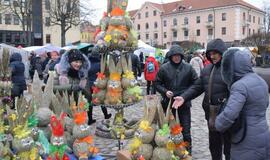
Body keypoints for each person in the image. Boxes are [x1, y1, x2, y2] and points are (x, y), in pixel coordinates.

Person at [172, 39, 231, 160]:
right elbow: (196, 87)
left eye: (215, 53)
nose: (212, 56)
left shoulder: (230, 70)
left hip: (228, 116)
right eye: (210, 53)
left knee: (229, 148)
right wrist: (183, 97)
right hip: (212, 116)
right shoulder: (207, 70)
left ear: (222, 52)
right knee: (214, 146)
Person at [215, 49, 270, 160]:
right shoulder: (261, 80)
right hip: (263, 135)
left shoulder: (240, 86)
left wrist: (218, 124)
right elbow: (265, 104)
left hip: (246, 141)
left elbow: (229, 115)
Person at [155, 44, 198, 154]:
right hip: (168, 103)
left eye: (178, 55)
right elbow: (157, 83)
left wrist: (186, 95)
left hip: (184, 101)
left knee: (186, 129)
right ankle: (170, 150)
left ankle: (187, 151)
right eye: (174, 55)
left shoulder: (188, 68)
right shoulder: (164, 68)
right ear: (170, 56)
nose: (176, 57)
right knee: (168, 128)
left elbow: (196, 83)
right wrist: (165, 91)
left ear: (182, 56)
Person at [87, 48, 111, 124]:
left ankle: (90, 119)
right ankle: (106, 115)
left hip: (89, 85)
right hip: (98, 85)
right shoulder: (100, 64)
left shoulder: (87, 63)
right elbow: (105, 74)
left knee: (89, 102)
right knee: (101, 99)